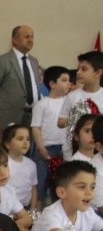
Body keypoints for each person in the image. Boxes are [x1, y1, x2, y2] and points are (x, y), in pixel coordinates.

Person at [0, 25, 42, 128]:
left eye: (32, 37)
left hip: (33, 116)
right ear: (15, 40)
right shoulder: (2, 61)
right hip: (10, 117)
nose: (30, 40)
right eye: (26, 37)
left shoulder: (34, 61)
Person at [31, 66, 71, 204]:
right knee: (42, 183)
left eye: (69, 80)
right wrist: (41, 147)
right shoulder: (42, 104)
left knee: (61, 184)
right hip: (47, 149)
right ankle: (38, 210)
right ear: (52, 84)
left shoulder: (69, 103)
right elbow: (36, 128)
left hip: (65, 148)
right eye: (64, 80)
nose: (68, 84)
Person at [58, 51, 103, 159]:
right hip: (74, 151)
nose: (78, 72)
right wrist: (75, 117)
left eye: (84, 69)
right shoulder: (72, 96)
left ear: (98, 73)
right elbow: (60, 122)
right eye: (78, 68)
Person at [2, 124, 38, 209]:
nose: (25, 142)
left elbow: (33, 188)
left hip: (25, 207)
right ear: (7, 144)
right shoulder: (2, 163)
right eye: (20, 139)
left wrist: (32, 209)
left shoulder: (31, 164)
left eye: (28, 139)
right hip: (6, 208)